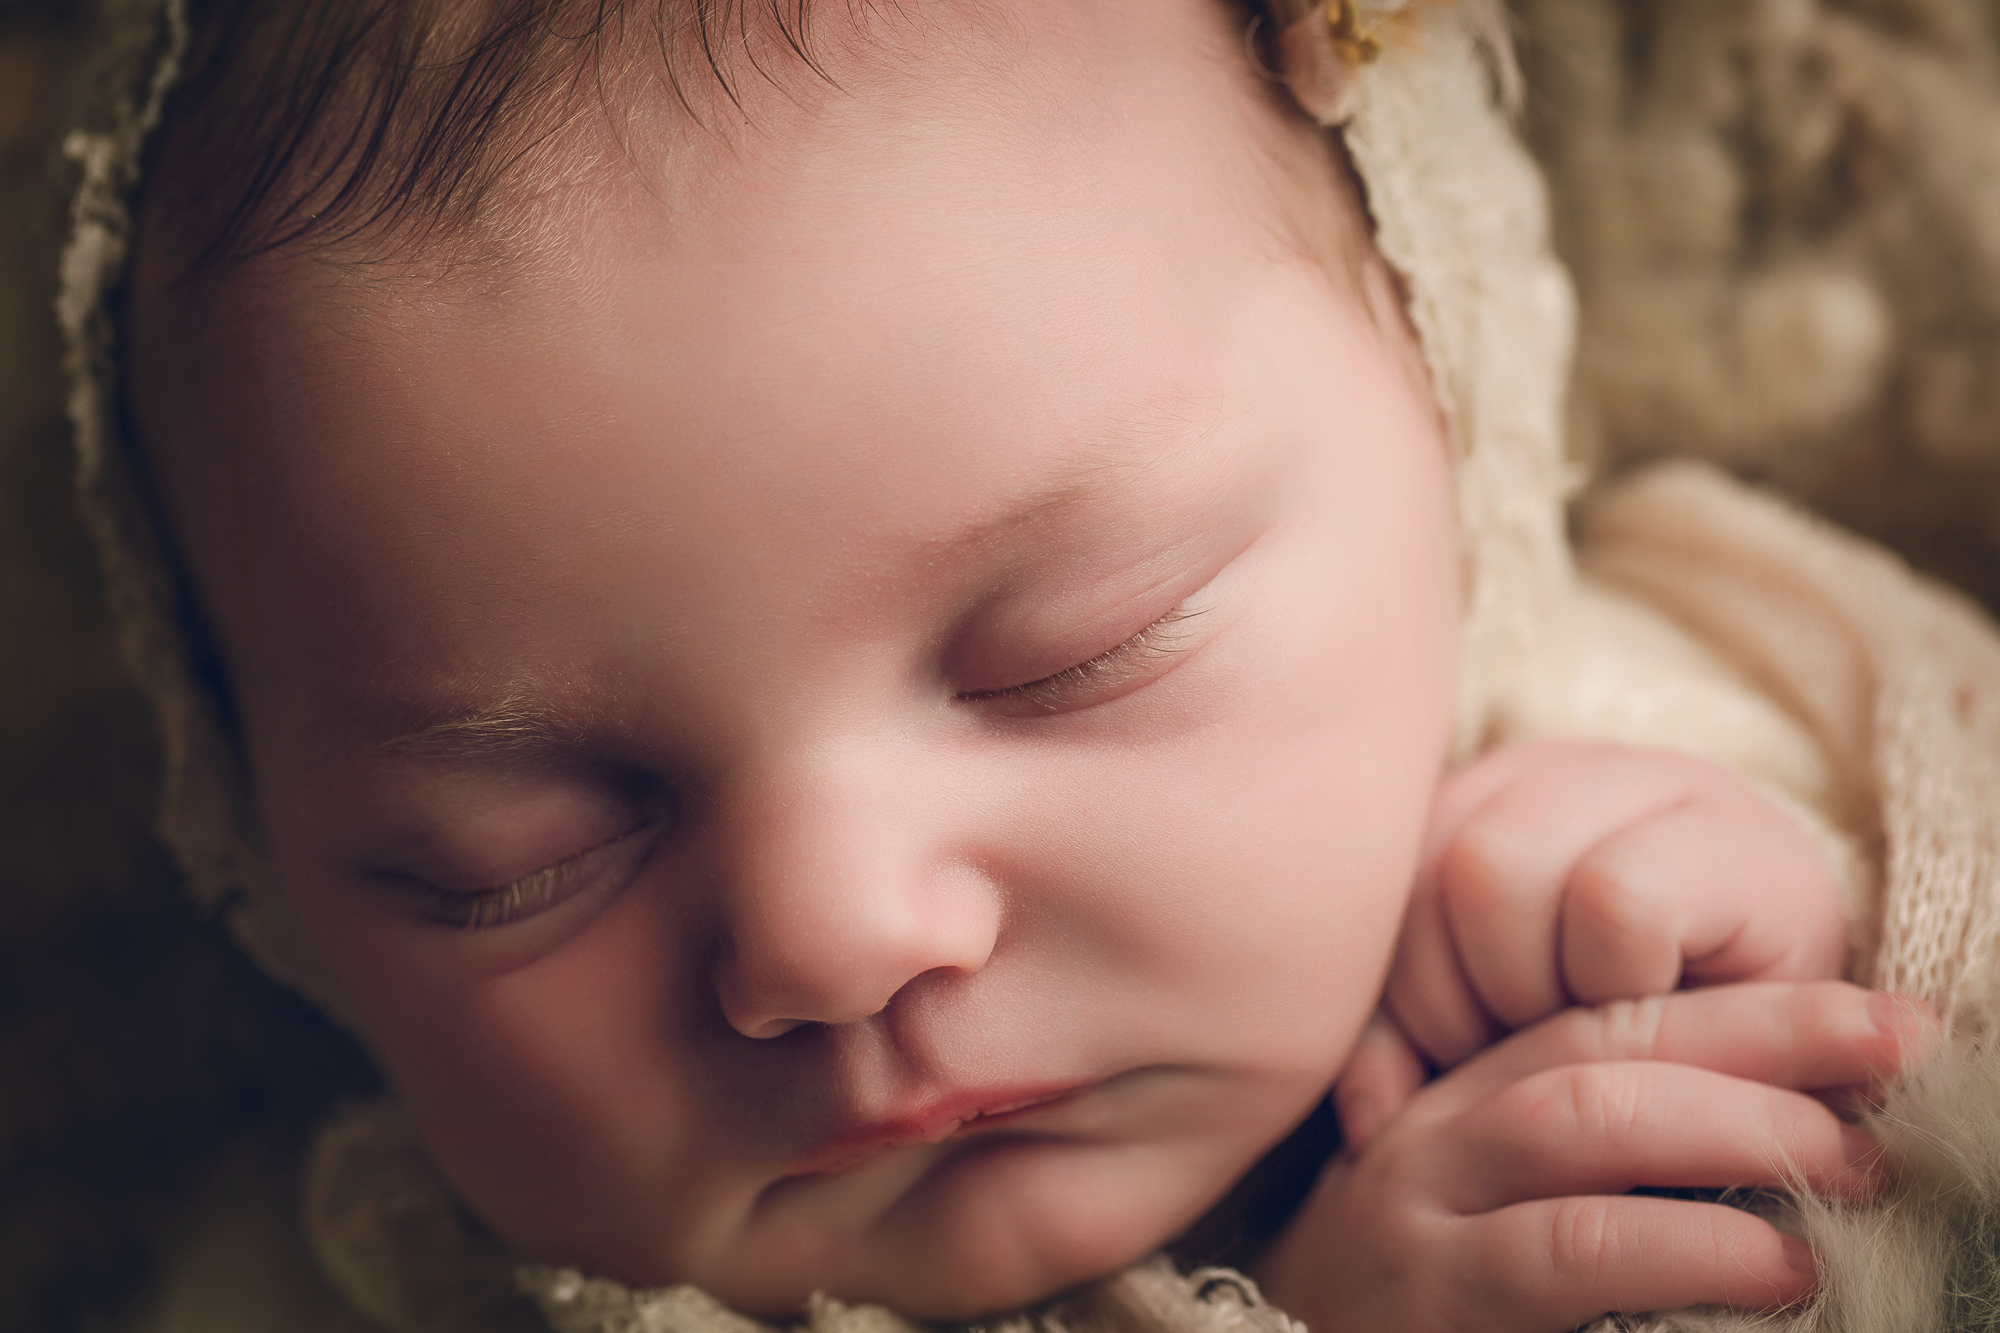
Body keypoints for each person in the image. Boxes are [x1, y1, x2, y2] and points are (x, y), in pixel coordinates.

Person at [53, 0, 2000, 1330]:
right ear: (269, 871)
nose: (835, 935)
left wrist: (1842, 920)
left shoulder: (1742, 708)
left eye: (1079, 653)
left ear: (1452, 416)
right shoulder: (316, 1283)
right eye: (509, 849)